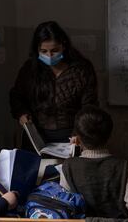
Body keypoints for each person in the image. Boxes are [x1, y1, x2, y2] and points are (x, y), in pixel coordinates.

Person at [9, 21, 98, 149]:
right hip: (36, 135)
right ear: (37, 50)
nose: (49, 56)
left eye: (54, 51)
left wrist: (79, 133)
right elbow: (16, 96)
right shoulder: (29, 69)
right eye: (43, 51)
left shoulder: (81, 69)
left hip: (72, 135)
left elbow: (89, 107)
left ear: (64, 46)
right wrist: (21, 114)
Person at [60, 105, 128, 218]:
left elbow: (66, 205)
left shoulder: (68, 166)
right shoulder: (123, 165)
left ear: (77, 139)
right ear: (109, 136)